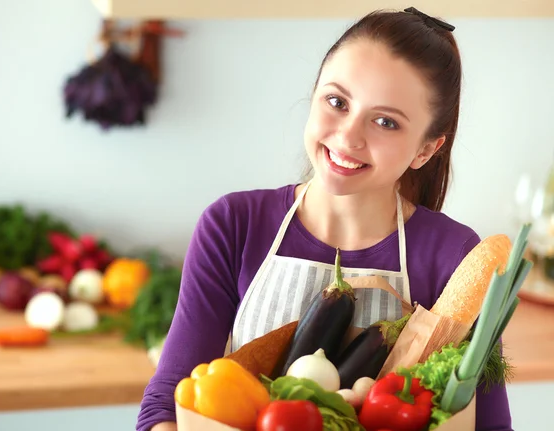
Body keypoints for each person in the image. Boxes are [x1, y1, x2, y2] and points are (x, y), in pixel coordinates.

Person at [136, 7, 513, 431]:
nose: (349, 137)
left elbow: (490, 425)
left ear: (426, 150)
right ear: (314, 94)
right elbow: (165, 404)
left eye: (386, 122)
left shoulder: (456, 257)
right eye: (337, 101)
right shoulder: (235, 225)